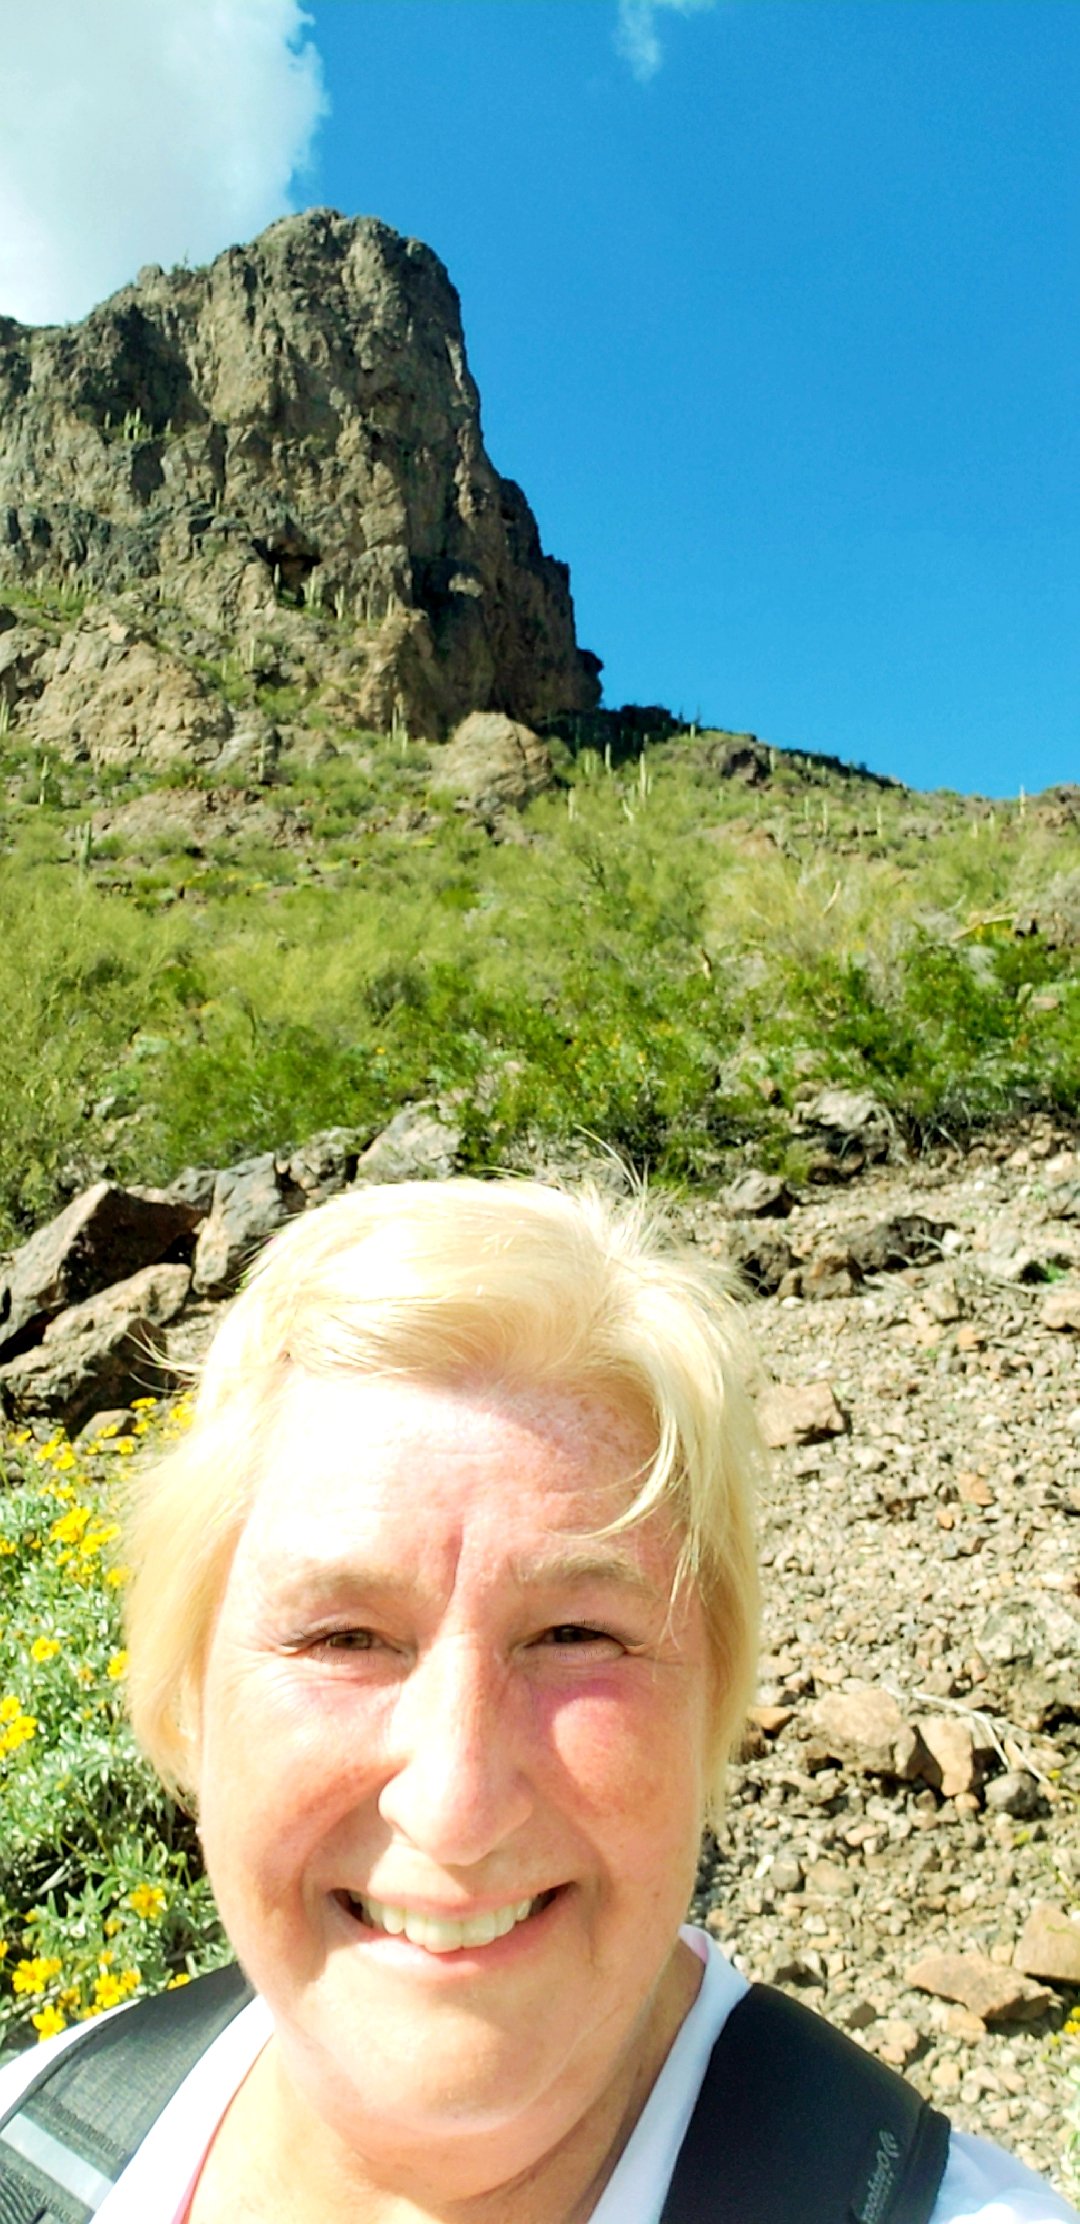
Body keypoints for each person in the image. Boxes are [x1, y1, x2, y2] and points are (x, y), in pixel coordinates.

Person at [0, 1177, 1075, 2223]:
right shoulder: (28, 2141)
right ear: (189, 1697)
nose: (456, 1808)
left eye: (574, 1636)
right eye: (345, 1639)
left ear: (714, 1698)